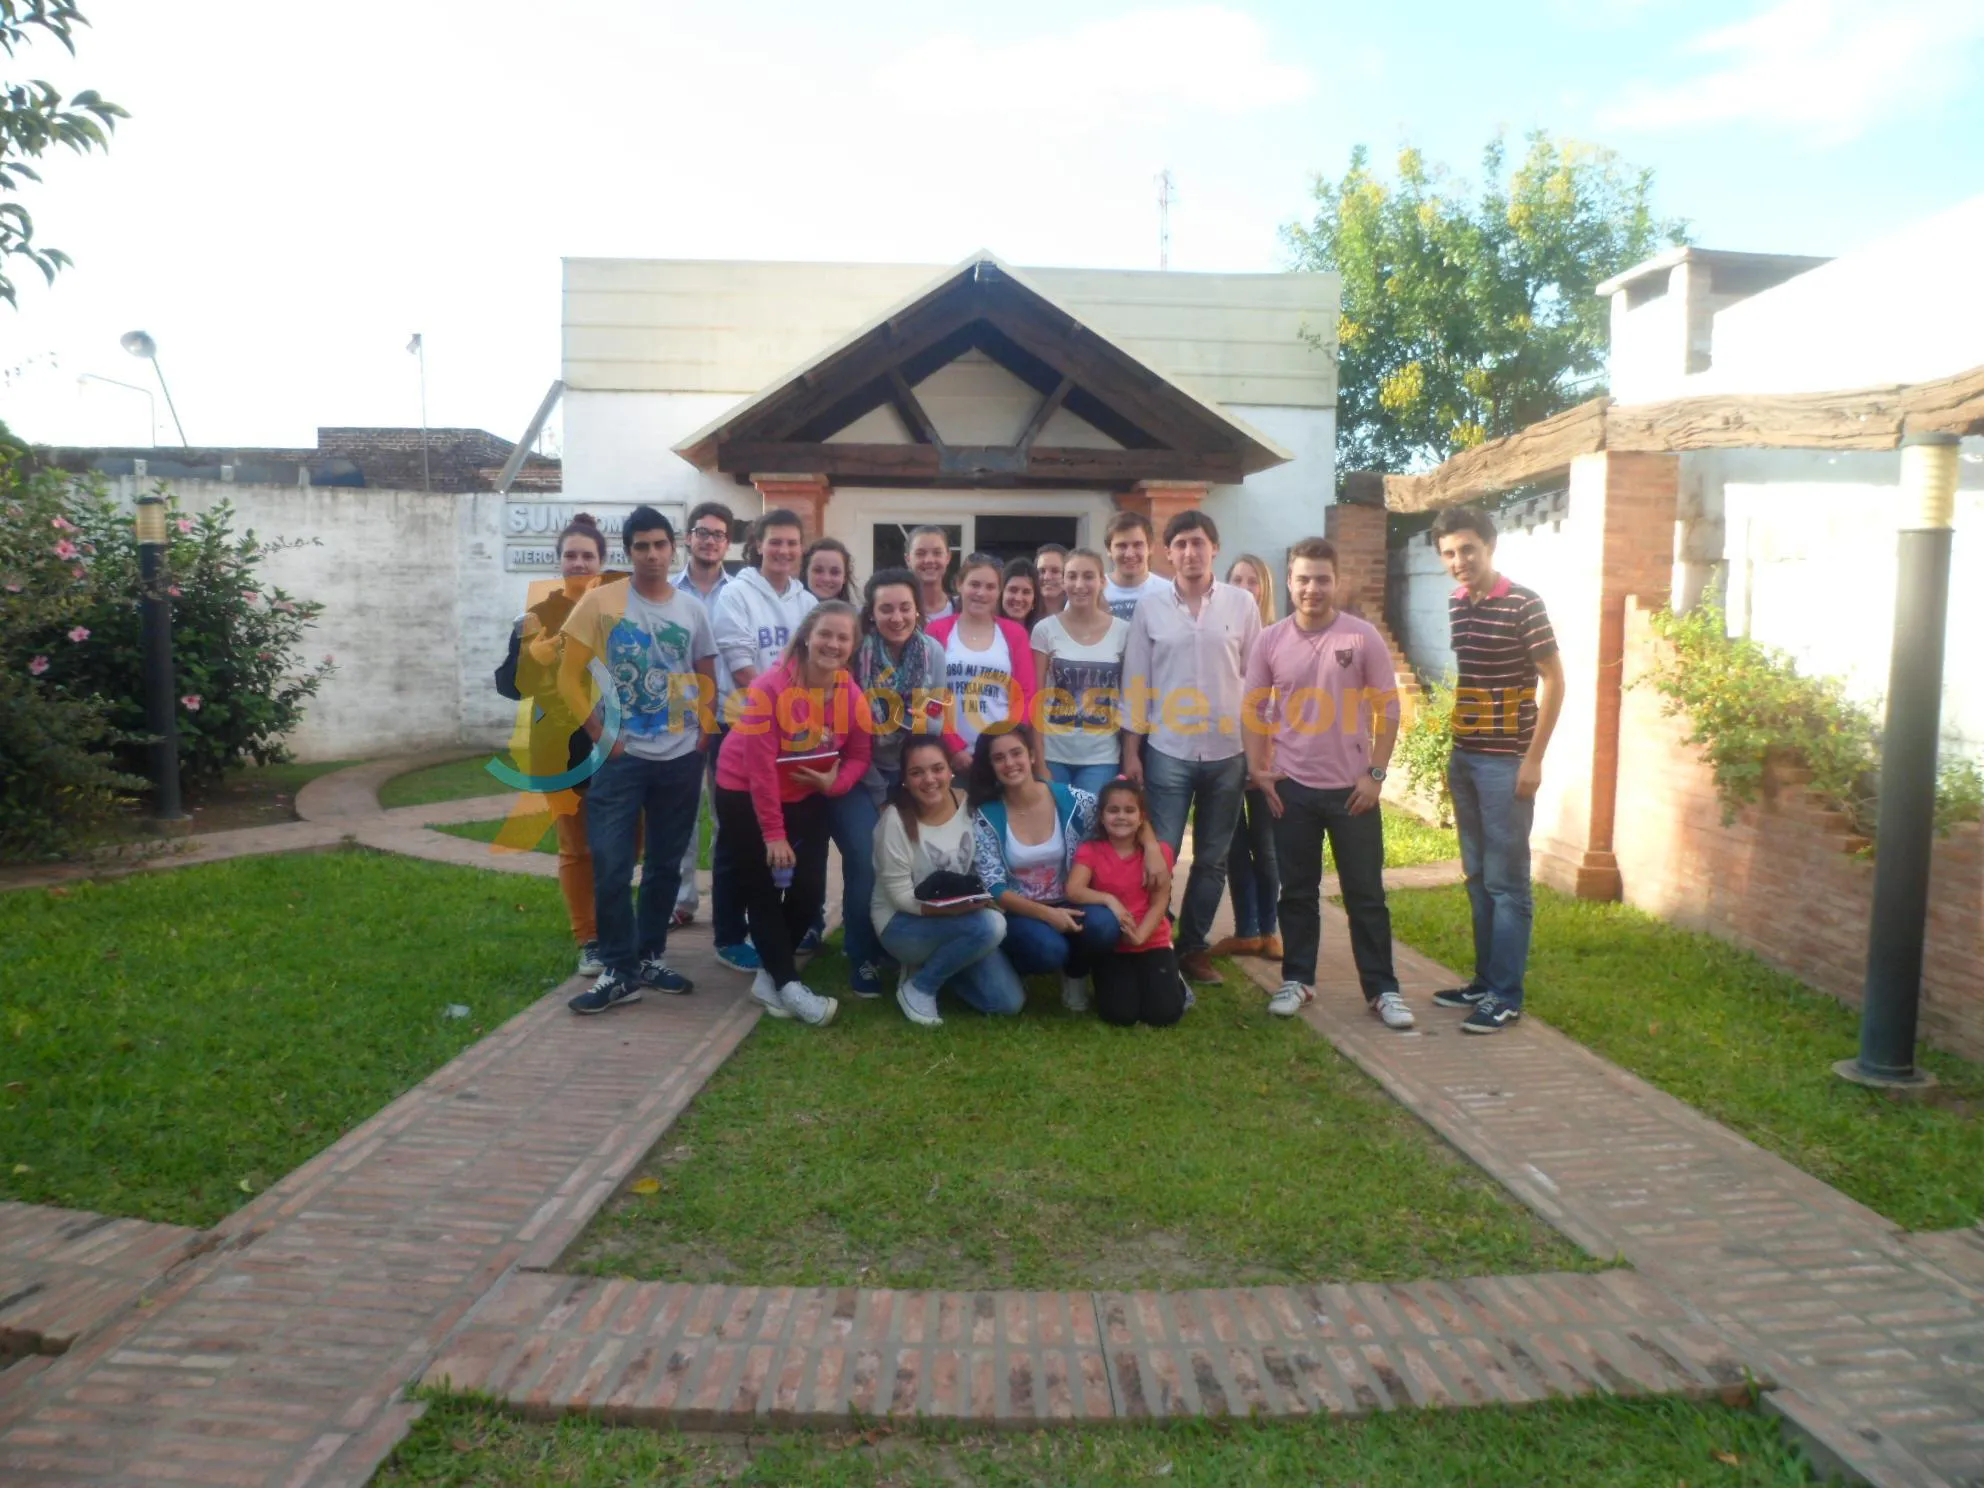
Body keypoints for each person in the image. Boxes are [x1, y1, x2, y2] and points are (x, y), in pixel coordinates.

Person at [1242, 537, 1411, 1029]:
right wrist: (1258, 769)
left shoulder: (1361, 637)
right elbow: (1253, 707)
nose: (1312, 588)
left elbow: (1389, 709)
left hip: (1352, 792)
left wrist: (1375, 775)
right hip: (1292, 788)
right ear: (1289, 582)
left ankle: (1382, 990)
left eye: (1321, 579)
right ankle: (1297, 979)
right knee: (1297, 892)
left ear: (1336, 582)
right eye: (1303, 579)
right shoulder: (1270, 640)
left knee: (1366, 895)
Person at [555, 506, 717, 1016]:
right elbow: (567, 676)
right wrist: (600, 734)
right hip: (620, 759)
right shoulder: (601, 603)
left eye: (659, 544)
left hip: (680, 757)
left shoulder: (691, 610)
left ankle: (649, 957)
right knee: (611, 863)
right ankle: (618, 969)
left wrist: (704, 733)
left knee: (665, 865)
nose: (651, 554)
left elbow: (705, 670)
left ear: (674, 548)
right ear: (628, 553)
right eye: (641, 546)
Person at [1428, 505, 1564, 1035]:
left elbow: (1555, 681)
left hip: (1506, 762)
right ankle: (1484, 982)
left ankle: (1505, 995)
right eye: (1448, 553)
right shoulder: (1457, 602)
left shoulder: (1524, 604)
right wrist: (1456, 753)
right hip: (1466, 757)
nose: (1458, 561)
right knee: (1478, 877)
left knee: (1508, 884)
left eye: (1468, 549)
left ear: (1490, 546)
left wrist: (1533, 758)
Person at [713, 601, 873, 1027]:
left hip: (805, 794)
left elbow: (860, 754)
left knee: (808, 889)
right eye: (825, 634)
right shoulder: (770, 688)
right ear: (806, 637)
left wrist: (834, 784)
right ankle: (788, 984)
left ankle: (769, 975)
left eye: (843, 637)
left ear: (853, 646)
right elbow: (759, 769)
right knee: (764, 890)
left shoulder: (850, 693)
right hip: (745, 793)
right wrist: (773, 834)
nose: (833, 644)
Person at [1121, 509, 1262, 986]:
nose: (1190, 552)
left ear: (1214, 548)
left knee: (1212, 858)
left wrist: (1259, 754)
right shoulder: (1151, 608)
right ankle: (1154, 940)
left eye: (1198, 542)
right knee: (1160, 852)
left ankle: (1194, 948)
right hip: (1168, 750)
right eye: (1180, 544)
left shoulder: (1242, 604)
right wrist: (1131, 752)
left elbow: (1257, 682)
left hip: (1228, 752)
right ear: (1168, 552)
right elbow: (1137, 682)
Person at [968, 726, 1166, 1011]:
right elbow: (995, 886)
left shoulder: (1072, 800)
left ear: (1032, 755)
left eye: (1016, 753)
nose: (1010, 763)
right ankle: (1017, 969)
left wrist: (1152, 847)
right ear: (991, 766)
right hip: (1022, 911)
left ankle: (1076, 972)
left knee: (1104, 925)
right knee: (1049, 950)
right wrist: (1048, 914)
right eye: (999, 758)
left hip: (1075, 899)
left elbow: (1120, 812)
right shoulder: (986, 815)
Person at [831, 567, 954, 997]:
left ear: (918, 609)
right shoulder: (855, 654)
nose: (897, 617)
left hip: (908, 770)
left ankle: (896, 945)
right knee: (865, 860)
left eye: (905, 607)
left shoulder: (933, 652)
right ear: (872, 612)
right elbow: (846, 730)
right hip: (858, 771)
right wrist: (879, 793)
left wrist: (916, 727)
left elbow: (936, 721)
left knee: (909, 860)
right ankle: (861, 954)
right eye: (886, 609)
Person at [495, 513, 609, 977]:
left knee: (625, 846)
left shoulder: (620, 616)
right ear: (559, 561)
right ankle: (590, 938)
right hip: (563, 751)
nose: (579, 563)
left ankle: (620, 926)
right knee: (576, 849)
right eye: (571, 555)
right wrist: (531, 658)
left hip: (619, 748)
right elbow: (509, 685)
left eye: (588, 556)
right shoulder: (535, 619)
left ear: (601, 562)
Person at [709, 508, 819, 972]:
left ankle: (773, 925)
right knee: (736, 838)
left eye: (792, 543)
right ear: (757, 544)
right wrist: (785, 714)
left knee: (781, 833)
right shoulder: (735, 594)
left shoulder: (806, 600)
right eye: (775, 541)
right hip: (744, 729)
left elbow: (817, 664)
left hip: (793, 737)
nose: (784, 551)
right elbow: (741, 666)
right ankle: (729, 935)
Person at [871, 735, 1024, 1026]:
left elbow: (983, 865)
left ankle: (935, 964)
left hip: (963, 919)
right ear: (905, 779)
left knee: (1007, 1002)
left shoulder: (968, 805)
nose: (929, 779)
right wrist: (953, 910)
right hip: (902, 924)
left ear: (950, 770)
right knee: (992, 925)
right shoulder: (894, 821)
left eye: (937, 769)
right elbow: (900, 897)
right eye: (917, 773)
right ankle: (920, 987)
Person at [1067, 779, 1185, 1028]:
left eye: (1129, 810)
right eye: (1113, 810)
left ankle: (1175, 979)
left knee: (1165, 1014)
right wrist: (1109, 899)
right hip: (1114, 944)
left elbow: (1160, 901)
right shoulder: (1091, 850)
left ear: (1141, 818)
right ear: (1101, 817)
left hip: (1152, 939)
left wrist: (1140, 936)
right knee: (1120, 1015)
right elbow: (1074, 890)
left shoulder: (1159, 852)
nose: (1121, 817)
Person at [1210, 554, 1282, 962]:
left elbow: (1278, 705)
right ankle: (1246, 930)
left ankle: (1270, 930)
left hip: (1266, 757)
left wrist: (1265, 757)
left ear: (1264, 588)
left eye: (1251, 581)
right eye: (1236, 580)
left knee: (1266, 848)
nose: (1243, 588)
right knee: (1234, 848)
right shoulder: (1221, 632)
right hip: (1226, 753)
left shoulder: (1276, 637)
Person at [668, 501, 736, 932]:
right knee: (683, 811)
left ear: (728, 544)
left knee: (727, 811)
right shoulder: (669, 591)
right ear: (688, 538)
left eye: (718, 534)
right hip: (681, 712)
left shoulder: (740, 592)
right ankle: (681, 900)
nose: (710, 541)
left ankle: (729, 899)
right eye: (703, 532)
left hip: (730, 712)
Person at [1029, 547, 1128, 798]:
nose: (1079, 585)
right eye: (1072, 576)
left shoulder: (1123, 631)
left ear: (1102, 581)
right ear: (1063, 581)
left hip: (1101, 756)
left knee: (1090, 820)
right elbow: (1035, 699)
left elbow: (1130, 698)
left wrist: (1130, 754)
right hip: (1054, 753)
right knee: (1055, 819)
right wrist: (1038, 756)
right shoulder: (1044, 630)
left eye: (1088, 576)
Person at [927, 553, 1037, 777]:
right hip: (947, 757)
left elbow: (1025, 695)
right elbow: (927, 696)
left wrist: (1004, 745)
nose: (981, 593)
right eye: (974, 584)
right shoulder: (936, 631)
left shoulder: (1014, 634)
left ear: (999, 591)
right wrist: (954, 747)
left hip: (1000, 759)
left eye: (990, 587)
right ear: (959, 584)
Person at [1102, 510, 1172, 620]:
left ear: (1150, 548)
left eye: (1137, 545)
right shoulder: (1092, 591)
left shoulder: (1170, 594)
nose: (1129, 554)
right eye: (1122, 546)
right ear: (1108, 550)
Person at [907, 524, 956, 623]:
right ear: (908, 559)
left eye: (937, 553)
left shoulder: (963, 609)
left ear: (948, 557)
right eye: (920, 553)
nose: (929, 560)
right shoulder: (898, 613)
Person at [802, 536, 857, 605]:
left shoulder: (854, 612)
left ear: (845, 577)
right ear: (806, 572)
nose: (826, 579)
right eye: (818, 570)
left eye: (835, 572)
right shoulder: (790, 611)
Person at [1000, 557, 1042, 632]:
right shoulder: (986, 631)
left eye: (1026, 592)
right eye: (1013, 590)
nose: (1018, 598)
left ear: (1034, 599)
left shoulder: (1042, 634)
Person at [1034, 543, 1068, 617]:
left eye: (1055, 571)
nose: (1047, 577)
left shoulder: (1080, 615)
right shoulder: (1025, 616)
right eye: (1042, 571)